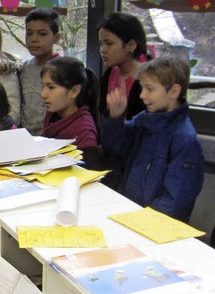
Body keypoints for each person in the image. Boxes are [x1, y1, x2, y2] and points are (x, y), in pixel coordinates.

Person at [102, 56, 204, 223]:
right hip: (130, 215)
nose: (142, 95)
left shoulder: (184, 140)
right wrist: (115, 118)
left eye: (149, 89)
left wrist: (140, 222)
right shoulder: (144, 121)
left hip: (154, 228)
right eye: (142, 88)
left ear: (174, 91)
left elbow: (174, 203)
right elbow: (115, 147)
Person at [98, 12, 149, 188]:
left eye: (109, 43)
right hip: (111, 157)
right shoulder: (110, 73)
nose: (103, 50)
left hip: (134, 162)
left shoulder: (148, 81)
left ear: (131, 45)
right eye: (101, 43)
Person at [41, 56, 100, 168]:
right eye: (43, 86)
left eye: (51, 87)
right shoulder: (53, 117)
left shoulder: (84, 132)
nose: (43, 94)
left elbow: (91, 174)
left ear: (74, 91)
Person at [19, 8, 61, 135]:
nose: (34, 39)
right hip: (24, 136)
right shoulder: (23, 68)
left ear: (56, 37)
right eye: (29, 33)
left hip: (51, 137)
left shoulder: (62, 69)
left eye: (42, 34)